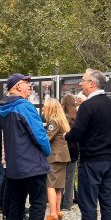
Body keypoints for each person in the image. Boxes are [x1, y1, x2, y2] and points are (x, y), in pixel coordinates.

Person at [0, 73, 51, 220]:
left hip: (14, 166)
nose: (29, 86)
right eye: (26, 83)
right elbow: (39, 134)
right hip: (32, 165)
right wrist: (47, 151)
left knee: (16, 204)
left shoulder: (4, 108)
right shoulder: (25, 106)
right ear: (18, 86)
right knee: (38, 203)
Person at [64, 68, 111, 220]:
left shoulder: (87, 106)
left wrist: (66, 135)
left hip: (91, 161)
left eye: (83, 80)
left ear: (92, 84)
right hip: (109, 160)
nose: (80, 83)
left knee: (88, 203)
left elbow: (77, 133)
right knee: (108, 202)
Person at [43, 98, 71, 220]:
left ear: (50, 108)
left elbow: (47, 138)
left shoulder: (53, 121)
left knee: (50, 185)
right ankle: (58, 212)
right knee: (58, 187)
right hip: (63, 156)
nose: (44, 109)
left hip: (54, 157)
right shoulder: (63, 120)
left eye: (45, 107)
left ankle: (53, 213)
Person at [60, 94, 79, 211]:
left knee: (61, 178)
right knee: (70, 178)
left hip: (62, 150)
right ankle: (67, 203)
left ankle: (60, 201)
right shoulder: (76, 117)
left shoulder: (61, 117)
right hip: (73, 150)